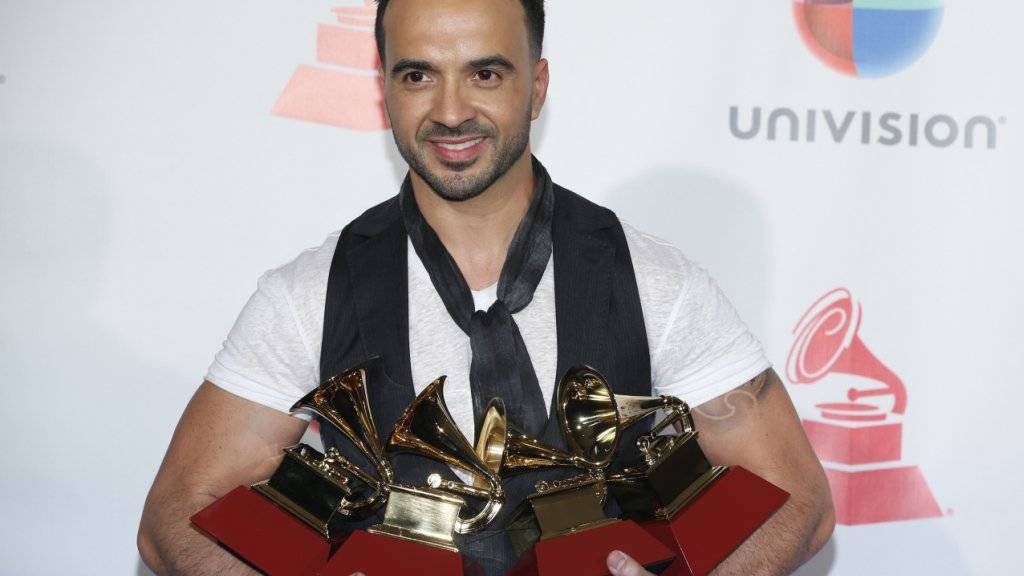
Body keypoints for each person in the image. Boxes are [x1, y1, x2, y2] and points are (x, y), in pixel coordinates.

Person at [137, 0, 835, 574]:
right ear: (384, 88)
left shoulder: (655, 283)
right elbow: (174, 516)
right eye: (418, 75)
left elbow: (799, 501)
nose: (450, 111)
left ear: (538, 85)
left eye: (485, 73)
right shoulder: (308, 294)